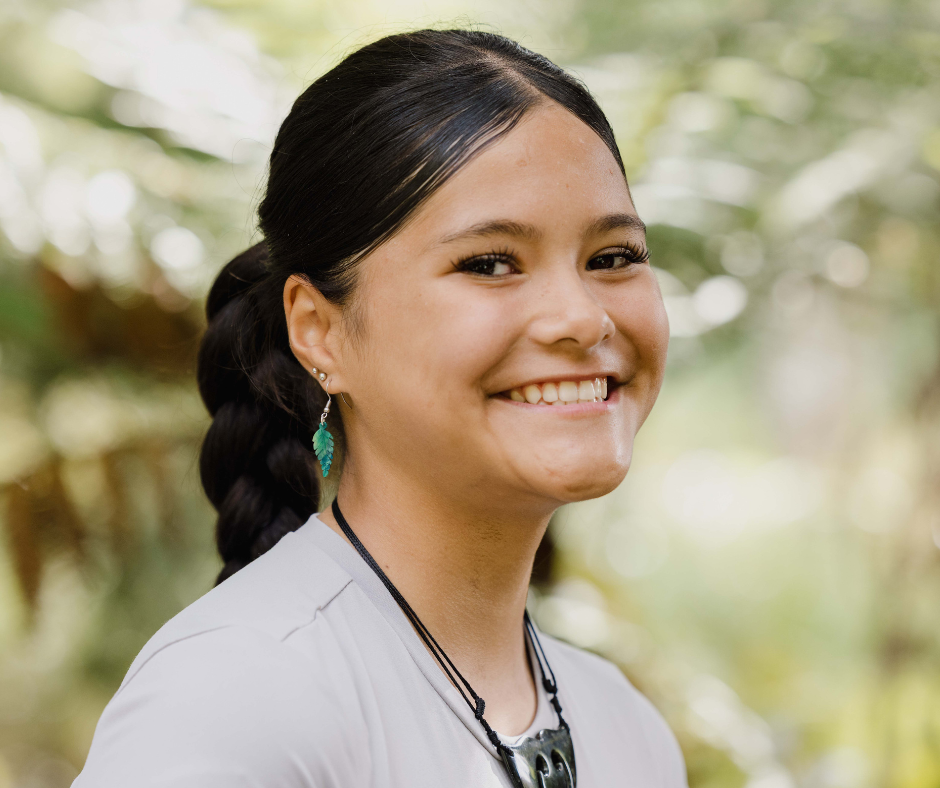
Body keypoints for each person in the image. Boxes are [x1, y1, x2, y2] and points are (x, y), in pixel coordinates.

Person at [73, 28, 682, 788]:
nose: (583, 318)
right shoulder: (236, 695)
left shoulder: (625, 729)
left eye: (613, 257)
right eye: (490, 263)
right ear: (319, 331)